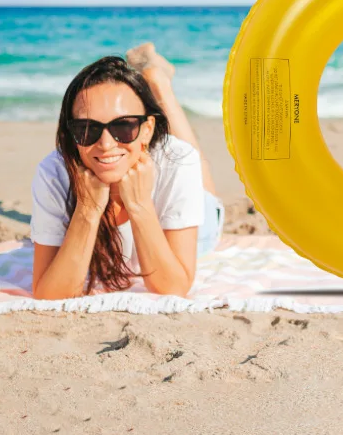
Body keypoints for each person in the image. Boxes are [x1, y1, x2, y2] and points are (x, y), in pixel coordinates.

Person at [30, 43, 224, 300]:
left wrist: (140, 205)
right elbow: (49, 294)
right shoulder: (53, 172)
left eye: (124, 126)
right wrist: (88, 210)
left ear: (146, 129)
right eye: (87, 128)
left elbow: (173, 288)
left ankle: (159, 84)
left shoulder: (178, 162)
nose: (106, 144)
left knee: (193, 162)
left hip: (196, 217)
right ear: (71, 133)